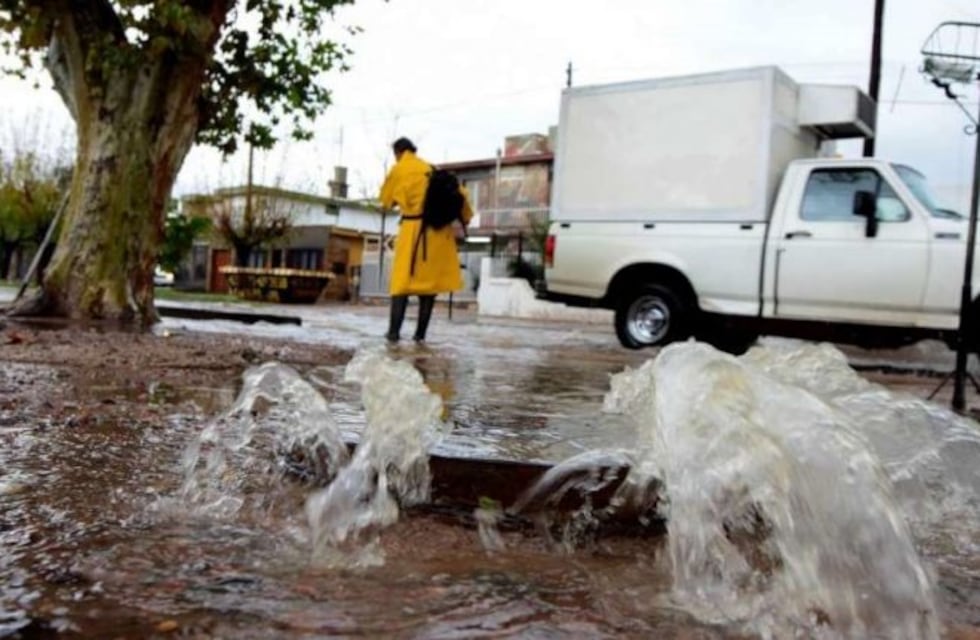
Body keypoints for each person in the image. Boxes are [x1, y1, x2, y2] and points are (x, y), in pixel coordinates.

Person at [379, 137, 473, 342]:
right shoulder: (431, 169)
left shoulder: (399, 169)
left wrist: (400, 201)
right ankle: (420, 336)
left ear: (398, 153)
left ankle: (393, 333)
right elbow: (462, 197)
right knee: (429, 289)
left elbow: (385, 201)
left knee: (401, 285)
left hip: (412, 232)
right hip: (438, 235)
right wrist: (466, 218)